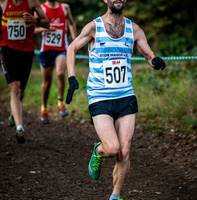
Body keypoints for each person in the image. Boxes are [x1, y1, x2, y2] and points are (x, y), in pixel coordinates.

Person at [66, 0, 166, 199]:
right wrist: (71, 77)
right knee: (112, 148)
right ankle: (98, 150)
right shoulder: (94, 27)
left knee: (125, 150)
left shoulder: (134, 29)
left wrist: (154, 61)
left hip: (125, 96)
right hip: (100, 96)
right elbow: (72, 48)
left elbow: (147, 53)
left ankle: (115, 195)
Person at [0, 0, 49, 143]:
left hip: (26, 51)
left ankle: (14, 114)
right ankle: (19, 127)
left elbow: (47, 24)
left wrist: (35, 20)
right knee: (14, 87)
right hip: (7, 49)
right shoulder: (3, 3)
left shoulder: (32, 3)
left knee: (21, 90)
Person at [35, 0, 76, 124]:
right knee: (46, 82)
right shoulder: (41, 9)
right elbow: (32, 29)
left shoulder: (65, 7)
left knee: (60, 73)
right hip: (46, 50)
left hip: (61, 49)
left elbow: (71, 23)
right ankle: (44, 108)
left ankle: (60, 102)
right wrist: (45, 28)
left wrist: (74, 41)